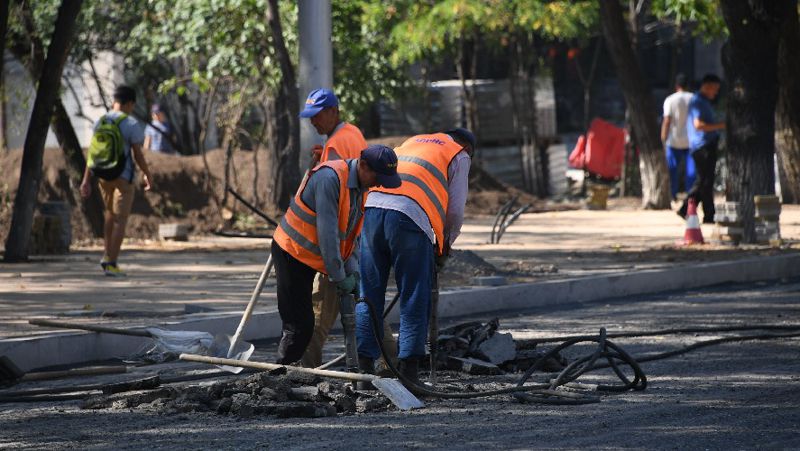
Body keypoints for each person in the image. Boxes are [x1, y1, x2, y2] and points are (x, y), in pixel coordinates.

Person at [355, 128, 475, 385]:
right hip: (408, 217)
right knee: (413, 294)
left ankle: (363, 373)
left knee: (368, 293)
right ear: (467, 147)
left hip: (373, 209)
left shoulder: (412, 141)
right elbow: (455, 211)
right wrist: (444, 246)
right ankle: (409, 373)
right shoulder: (459, 154)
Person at [270, 145, 401, 365]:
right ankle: (279, 376)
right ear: (364, 165)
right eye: (378, 177)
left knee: (307, 324)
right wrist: (340, 277)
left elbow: (349, 235)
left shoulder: (361, 187)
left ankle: (295, 375)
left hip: (313, 255)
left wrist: (354, 272)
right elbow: (328, 236)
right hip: (291, 252)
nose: (379, 183)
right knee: (299, 325)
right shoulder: (329, 179)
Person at [296, 88, 374, 369]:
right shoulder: (352, 134)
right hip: (353, 234)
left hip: (338, 242)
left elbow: (327, 204)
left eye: (317, 116)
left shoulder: (336, 146)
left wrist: (334, 260)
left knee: (319, 309)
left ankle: (305, 369)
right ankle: (388, 363)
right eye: (310, 117)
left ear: (333, 112)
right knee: (365, 305)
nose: (313, 122)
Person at [80, 86, 153, 277]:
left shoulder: (101, 121)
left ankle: (107, 255)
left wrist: (86, 180)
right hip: (123, 176)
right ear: (130, 103)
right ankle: (111, 262)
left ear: (114, 101)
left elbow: (92, 155)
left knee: (109, 215)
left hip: (103, 176)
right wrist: (147, 174)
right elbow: (137, 154)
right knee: (121, 220)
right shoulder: (130, 123)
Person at [678, 74, 725, 223]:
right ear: (707, 86)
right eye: (715, 89)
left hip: (705, 145)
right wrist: (722, 125)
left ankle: (691, 210)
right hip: (702, 147)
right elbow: (698, 125)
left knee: (704, 181)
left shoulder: (704, 101)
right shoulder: (698, 102)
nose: (715, 93)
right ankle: (700, 212)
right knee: (704, 182)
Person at [661, 73, 695, 200]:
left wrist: (663, 138)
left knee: (672, 170)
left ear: (677, 86)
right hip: (691, 141)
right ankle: (690, 196)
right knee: (691, 171)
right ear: (688, 85)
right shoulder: (694, 99)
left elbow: (667, 121)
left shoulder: (670, 100)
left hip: (673, 141)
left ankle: (672, 195)